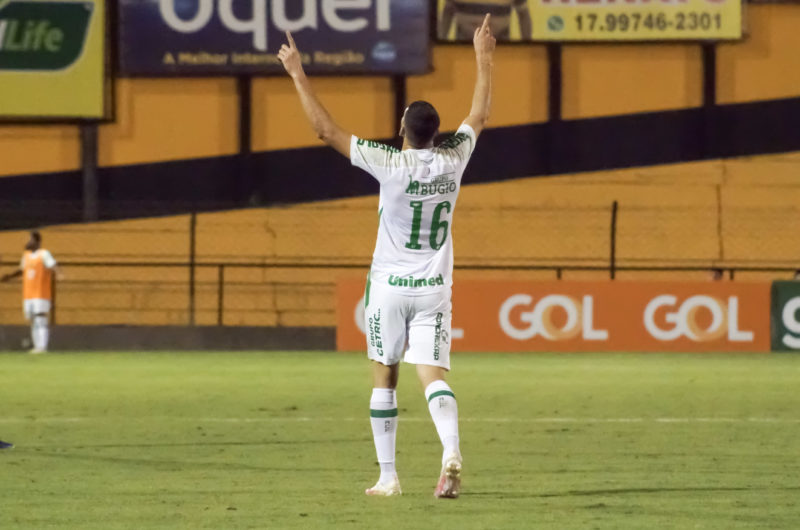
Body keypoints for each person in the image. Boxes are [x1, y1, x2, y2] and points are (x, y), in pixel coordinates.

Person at [278, 14, 495, 498]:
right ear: (437, 133)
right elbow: (478, 116)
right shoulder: (454, 159)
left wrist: (297, 72)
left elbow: (325, 130)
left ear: (402, 129)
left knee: (384, 377)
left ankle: (389, 477)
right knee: (432, 376)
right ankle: (451, 451)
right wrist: (484, 57)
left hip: (390, 289)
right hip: (434, 289)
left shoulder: (391, 164)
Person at [1, 231, 62, 354]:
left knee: (40, 318)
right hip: (28, 293)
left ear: (37, 241)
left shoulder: (44, 254)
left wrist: (59, 273)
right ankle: (37, 346)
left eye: (30, 239)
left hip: (41, 293)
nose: (28, 242)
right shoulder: (26, 255)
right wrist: (9, 277)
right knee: (33, 320)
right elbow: (22, 270)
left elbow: (53, 264)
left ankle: (42, 346)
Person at [439, 0, 531, 41]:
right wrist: (440, 44)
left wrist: (528, 47)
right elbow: (447, 11)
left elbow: (523, 13)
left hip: (500, 49)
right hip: (462, 49)